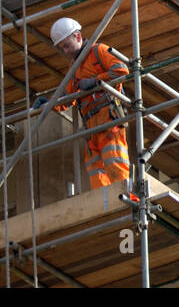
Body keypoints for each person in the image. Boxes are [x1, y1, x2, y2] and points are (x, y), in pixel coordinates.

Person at [34, 16, 130, 190]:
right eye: (62, 48)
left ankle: (124, 195)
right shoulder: (75, 68)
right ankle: (104, 203)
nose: (65, 51)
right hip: (91, 125)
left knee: (114, 158)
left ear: (78, 37)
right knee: (95, 166)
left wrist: (95, 81)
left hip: (109, 119)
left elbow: (121, 70)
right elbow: (66, 98)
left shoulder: (98, 51)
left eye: (66, 45)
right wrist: (48, 103)